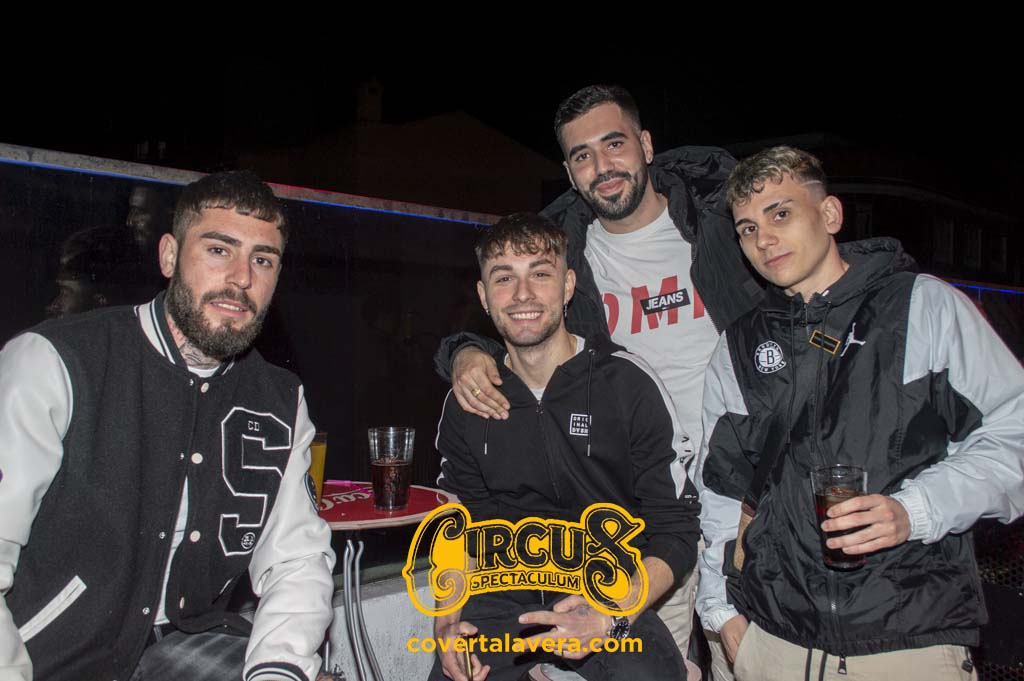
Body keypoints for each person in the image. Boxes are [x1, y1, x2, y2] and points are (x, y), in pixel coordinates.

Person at [435, 84, 760, 678]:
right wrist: (464, 351)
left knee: (752, 659)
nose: (602, 166)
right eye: (581, 155)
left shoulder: (720, 227)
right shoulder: (572, 247)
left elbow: (797, 303)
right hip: (642, 504)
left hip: (739, 489)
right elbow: (525, 319)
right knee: (661, 658)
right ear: (568, 170)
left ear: (646, 145)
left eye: (614, 144)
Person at [694, 146, 1024, 680]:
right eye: (747, 228)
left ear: (829, 214)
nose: (764, 239)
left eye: (781, 214)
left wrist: (915, 509)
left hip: (908, 637)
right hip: (776, 638)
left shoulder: (922, 306)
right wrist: (722, 613)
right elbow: (720, 490)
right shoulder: (739, 345)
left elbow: (1014, 432)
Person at [0, 171, 336, 681]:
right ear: (169, 256)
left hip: (183, 644)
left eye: (263, 260)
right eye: (219, 250)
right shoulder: (53, 363)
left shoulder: (278, 399)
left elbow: (297, 560)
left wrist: (278, 670)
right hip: (50, 657)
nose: (242, 278)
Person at [431, 213, 700, 681]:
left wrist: (610, 616)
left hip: (609, 591)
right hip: (504, 596)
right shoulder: (469, 401)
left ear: (568, 285)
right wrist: (445, 623)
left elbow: (676, 530)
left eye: (540, 273)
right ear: (483, 296)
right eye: (504, 278)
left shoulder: (627, 384)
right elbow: (462, 524)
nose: (522, 294)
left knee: (652, 676)